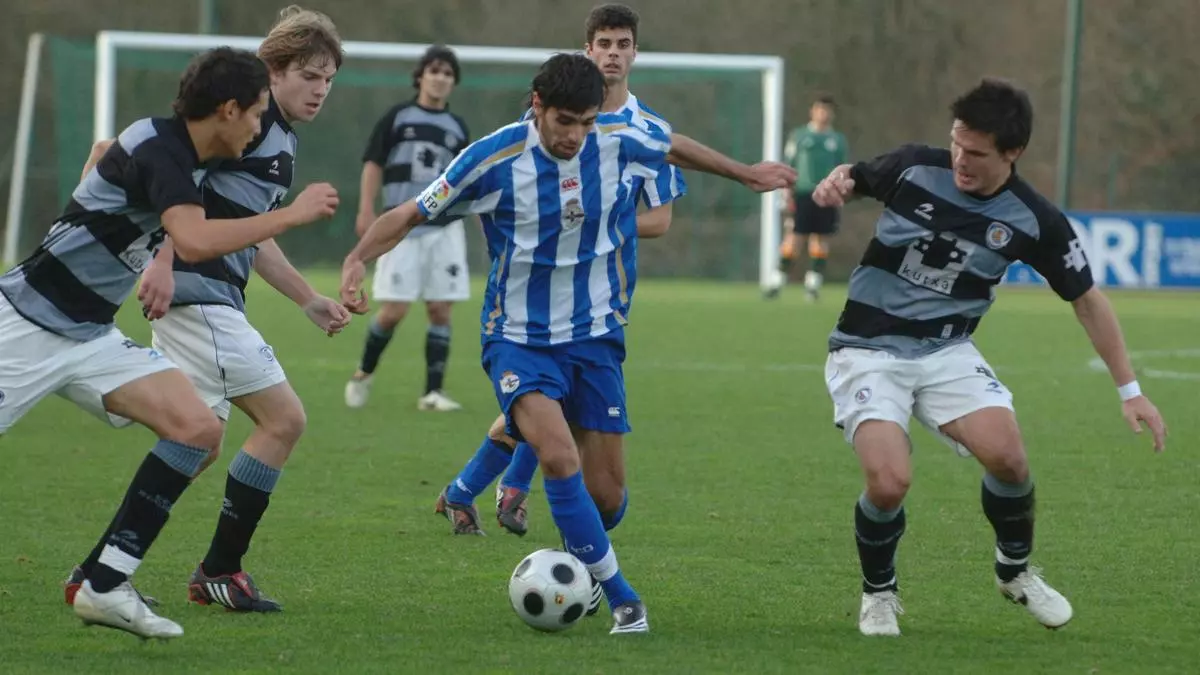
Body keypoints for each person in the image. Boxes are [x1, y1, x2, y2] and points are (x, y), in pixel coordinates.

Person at [341, 53, 792, 634]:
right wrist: (356, 260)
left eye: (585, 121)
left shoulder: (616, 139)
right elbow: (408, 213)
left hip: (595, 337)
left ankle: (559, 549)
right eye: (564, 121)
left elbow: (674, 146)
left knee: (607, 500)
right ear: (538, 106)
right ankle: (624, 601)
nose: (575, 135)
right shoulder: (493, 158)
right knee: (557, 455)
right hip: (518, 338)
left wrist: (746, 174)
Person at [0, 47, 337, 639]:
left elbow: (119, 170)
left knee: (197, 429)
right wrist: (292, 215)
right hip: (25, 326)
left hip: (90, 337)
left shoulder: (191, 159)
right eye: (255, 112)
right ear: (228, 110)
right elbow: (196, 239)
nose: (259, 126)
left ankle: (104, 583)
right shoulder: (157, 145)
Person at [811, 77, 1168, 637]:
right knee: (889, 483)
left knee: (1009, 458)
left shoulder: (1034, 219)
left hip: (946, 349)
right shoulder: (913, 167)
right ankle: (879, 593)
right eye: (956, 143)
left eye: (976, 153)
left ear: (1012, 152)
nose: (960, 159)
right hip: (867, 349)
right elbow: (855, 176)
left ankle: (1014, 571)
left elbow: (1088, 301)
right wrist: (838, 182)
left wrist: (1131, 391)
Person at [436, 3, 777, 553]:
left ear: (635, 53)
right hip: (533, 302)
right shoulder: (554, 116)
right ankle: (508, 493)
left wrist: (589, 226)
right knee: (547, 411)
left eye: (623, 45)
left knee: (555, 416)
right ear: (588, 50)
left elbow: (660, 220)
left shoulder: (647, 131)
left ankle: (470, 490)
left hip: (601, 301)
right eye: (604, 44)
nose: (613, 55)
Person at [344, 45, 474, 412]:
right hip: (401, 226)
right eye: (434, 70)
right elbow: (373, 163)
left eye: (448, 73)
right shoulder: (398, 117)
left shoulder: (457, 128)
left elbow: (470, 180)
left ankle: (433, 393)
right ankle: (364, 372)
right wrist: (366, 209)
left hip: (445, 228)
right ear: (420, 76)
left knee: (440, 309)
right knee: (394, 311)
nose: (440, 78)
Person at [767, 94, 848, 300]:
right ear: (812, 111)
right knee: (794, 236)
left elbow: (843, 168)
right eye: (820, 109)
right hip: (802, 193)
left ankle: (812, 285)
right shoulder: (799, 136)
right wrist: (786, 191)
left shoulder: (837, 140)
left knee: (821, 238)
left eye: (827, 110)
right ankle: (777, 282)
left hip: (827, 195)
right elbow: (789, 163)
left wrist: (841, 193)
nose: (823, 114)